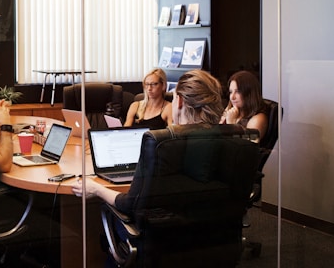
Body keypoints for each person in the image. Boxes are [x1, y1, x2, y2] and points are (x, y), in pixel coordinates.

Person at [72, 69, 224, 208]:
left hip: (162, 233)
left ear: (180, 102)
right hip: (219, 232)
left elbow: (130, 203)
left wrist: (96, 189)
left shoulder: (161, 148)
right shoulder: (233, 141)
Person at [220, 70, 268, 140]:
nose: (232, 97)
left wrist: (231, 124)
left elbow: (246, 147)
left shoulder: (258, 119)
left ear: (249, 93)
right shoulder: (232, 111)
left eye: (238, 92)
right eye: (231, 92)